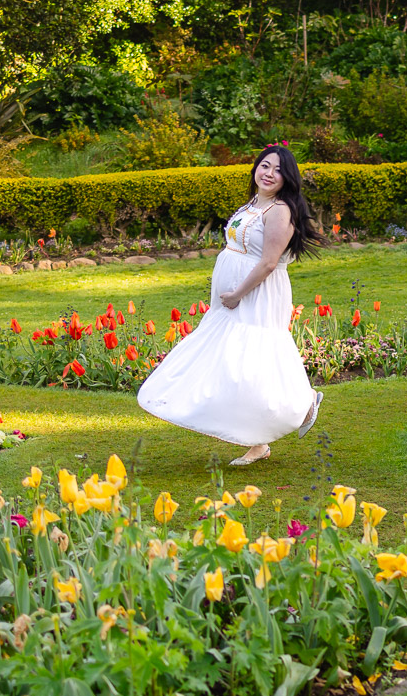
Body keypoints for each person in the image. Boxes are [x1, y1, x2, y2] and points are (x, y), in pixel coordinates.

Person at [137, 144, 324, 465]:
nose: (269, 174)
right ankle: (258, 440)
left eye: (278, 170)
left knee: (253, 362)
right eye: (265, 166)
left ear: (288, 178)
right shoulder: (255, 203)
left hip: (258, 294)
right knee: (233, 361)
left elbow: (268, 263)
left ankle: (301, 405)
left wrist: (238, 294)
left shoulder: (280, 210)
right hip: (233, 296)